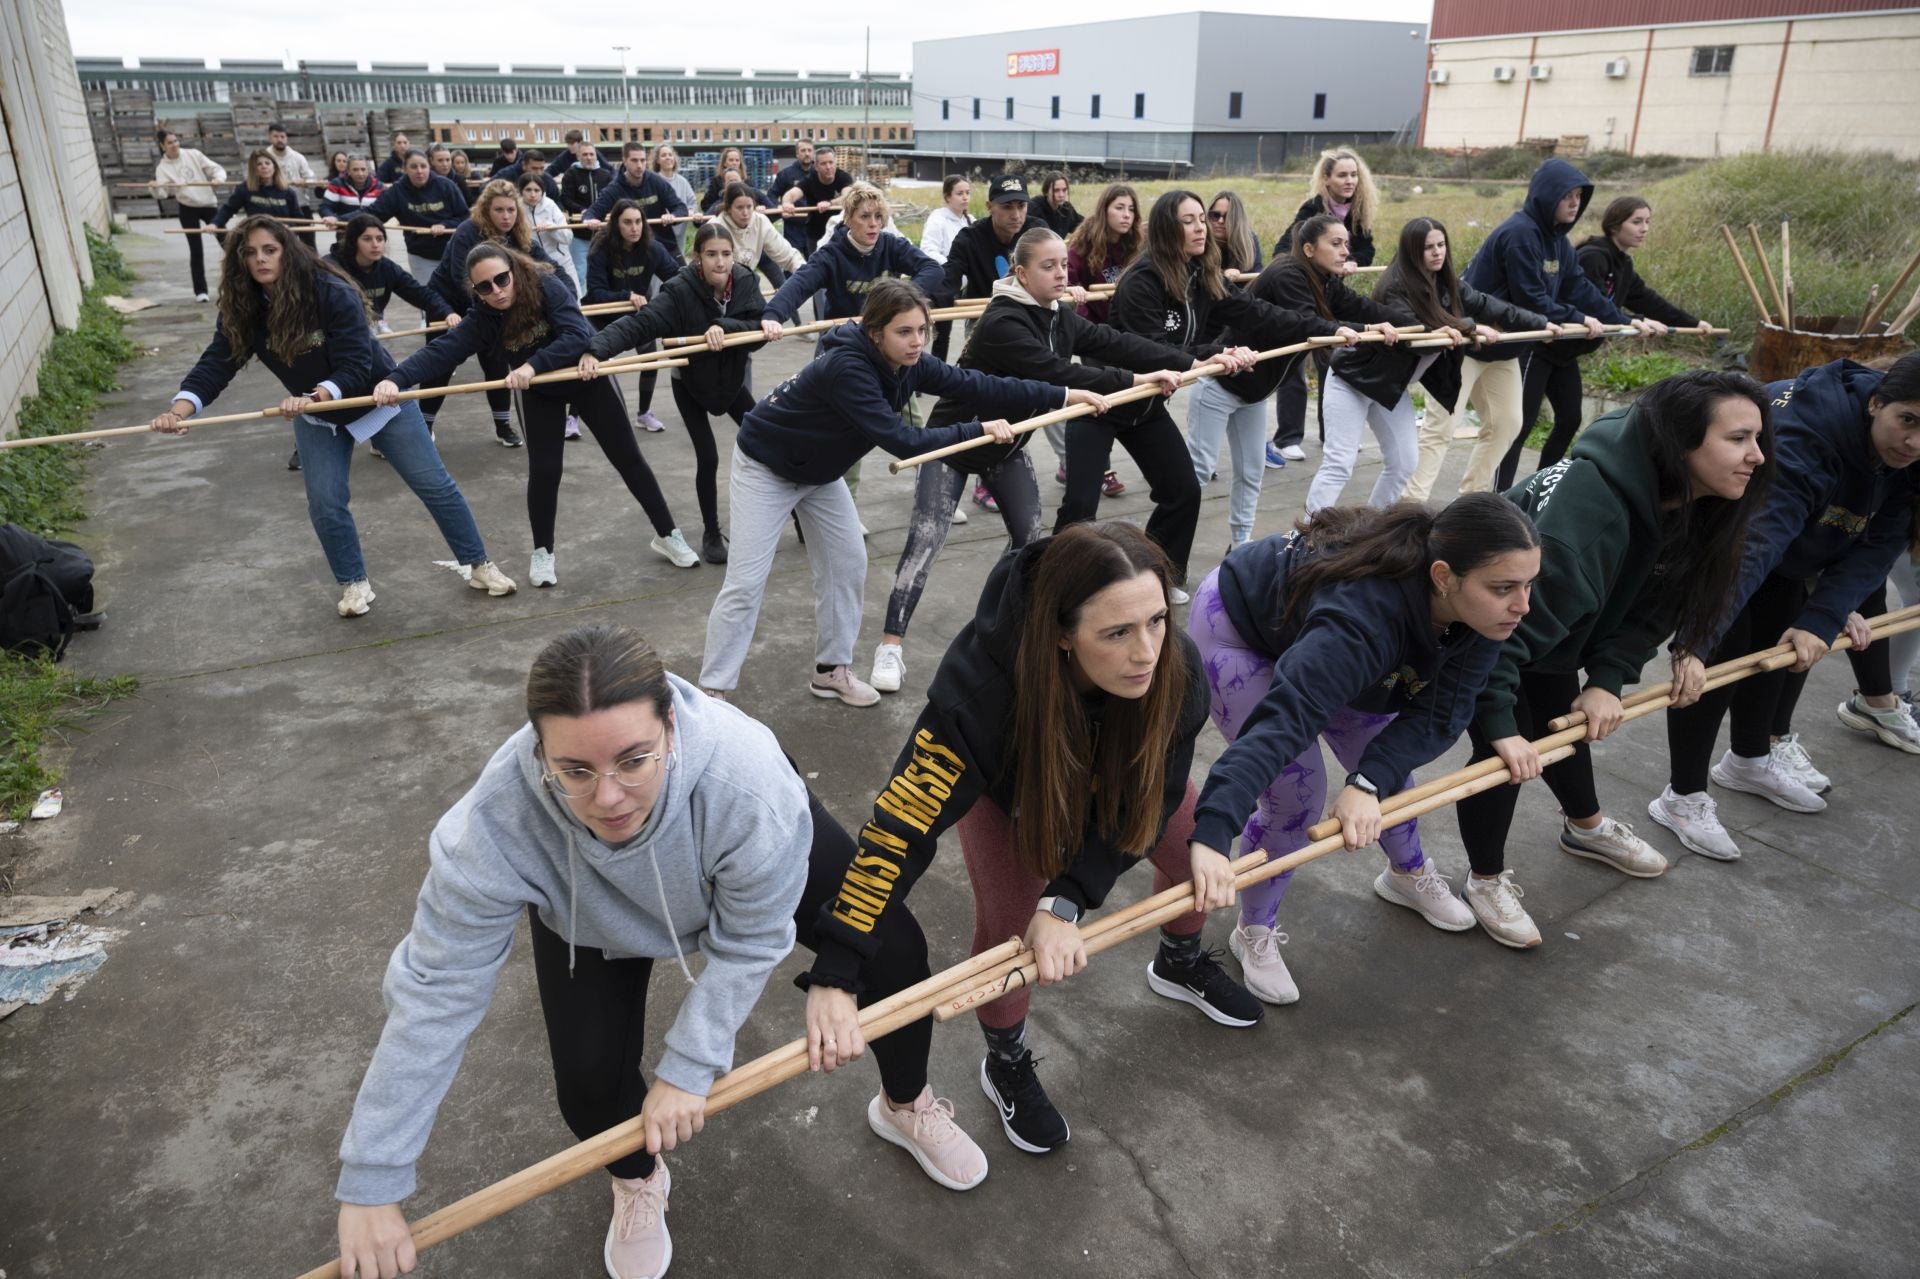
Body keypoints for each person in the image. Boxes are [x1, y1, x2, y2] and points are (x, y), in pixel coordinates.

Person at [333, 624, 974, 1279]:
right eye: (575, 770)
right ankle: (638, 1175)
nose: (607, 797)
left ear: (671, 722)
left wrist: (688, 1067)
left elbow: (750, 938)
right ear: (538, 749)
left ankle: (905, 1102)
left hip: (736, 851)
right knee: (586, 1085)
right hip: (591, 908)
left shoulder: (744, 775)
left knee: (895, 954)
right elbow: (436, 987)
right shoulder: (496, 822)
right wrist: (373, 1176)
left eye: (633, 760)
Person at [809, 521, 1262, 1156]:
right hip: (1019, 799)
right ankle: (1006, 1060)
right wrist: (838, 967)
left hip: (1124, 782)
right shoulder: (980, 690)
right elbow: (899, 826)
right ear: (1059, 633)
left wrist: (1070, 897)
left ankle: (1178, 963)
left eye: (1157, 620)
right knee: (1010, 936)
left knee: (1196, 855)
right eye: (1116, 633)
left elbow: (1154, 795)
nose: (1147, 653)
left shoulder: (1175, 666)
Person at [1452, 371, 1775, 948]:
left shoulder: (1701, 504)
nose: (1757, 455)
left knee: (1559, 721)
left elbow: (1655, 610)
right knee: (1505, 753)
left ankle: (1586, 826)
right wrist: (1500, 728)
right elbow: (1497, 643)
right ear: (1681, 443)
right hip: (1483, 629)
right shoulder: (1593, 515)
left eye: (1758, 438)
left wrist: (1606, 679)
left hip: (1548, 633)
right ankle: (1484, 878)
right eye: (1739, 439)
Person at [1189, 495, 1542, 1000]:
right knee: (1296, 795)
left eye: (1529, 584)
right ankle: (1255, 929)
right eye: (1505, 588)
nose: (1523, 605)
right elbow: (1283, 722)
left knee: (1387, 780)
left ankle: (1407, 873)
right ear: (1444, 576)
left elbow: (1443, 714)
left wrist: (1367, 781)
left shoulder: (1486, 611)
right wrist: (1213, 829)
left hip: (1343, 644)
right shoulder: (1364, 619)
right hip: (1240, 627)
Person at [700, 278, 1104, 706]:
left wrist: (1061, 394)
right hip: (766, 466)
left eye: (922, 331)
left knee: (848, 564)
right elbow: (904, 441)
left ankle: (830, 672)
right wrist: (979, 429)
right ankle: (713, 693)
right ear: (876, 333)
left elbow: (976, 383)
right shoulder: (848, 369)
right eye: (904, 332)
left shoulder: (909, 363)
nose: (917, 342)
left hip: (819, 471)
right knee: (746, 582)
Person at [870, 227, 1191, 695]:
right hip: (956, 444)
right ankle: (891, 647)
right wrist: (1133, 378)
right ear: (1020, 273)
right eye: (1048, 266)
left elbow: (1109, 340)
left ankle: (1004, 626)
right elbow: (1057, 371)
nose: (1061, 273)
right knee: (927, 539)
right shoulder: (1003, 322)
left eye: (1064, 264)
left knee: (1028, 544)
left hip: (1009, 446)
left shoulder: (1059, 315)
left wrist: (1182, 361)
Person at [148, 217, 516, 618]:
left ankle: (479, 564)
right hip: (318, 415)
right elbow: (217, 362)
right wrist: (178, 411)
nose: (260, 260)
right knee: (325, 502)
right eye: (250, 253)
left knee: (434, 485)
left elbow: (357, 363)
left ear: (287, 251)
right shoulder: (244, 306)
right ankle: (354, 583)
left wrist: (314, 396)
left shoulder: (330, 290)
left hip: (379, 400)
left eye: (269, 250)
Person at [1653, 355, 1920, 858]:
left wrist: (1823, 614)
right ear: (1876, 403)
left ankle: (1750, 758)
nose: (1915, 443)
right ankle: (1682, 796)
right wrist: (1695, 640)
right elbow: (1756, 544)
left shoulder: (1905, 455)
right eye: (1908, 421)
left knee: (1786, 635)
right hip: (1720, 532)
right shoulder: (1809, 434)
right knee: (1719, 661)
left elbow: (1879, 544)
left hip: (1794, 548)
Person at [380, 243, 698, 584]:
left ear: (514, 271)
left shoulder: (546, 285)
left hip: (584, 378)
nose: (497, 291)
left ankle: (667, 535)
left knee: (628, 458)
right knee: (545, 471)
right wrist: (395, 379)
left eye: (502, 279)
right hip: (538, 394)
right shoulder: (483, 318)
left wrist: (532, 365)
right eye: (484, 287)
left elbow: (576, 334)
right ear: (476, 291)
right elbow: (444, 350)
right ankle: (543, 552)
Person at [1065, 189, 1321, 598]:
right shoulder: (1142, 280)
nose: (1201, 227)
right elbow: (1148, 348)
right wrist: (1206, 357)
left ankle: (1157, 578)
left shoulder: (1200, 276)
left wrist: (1324, 329)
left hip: (1146, 404)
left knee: (1182, 491)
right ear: (1168, 228)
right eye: (1189, 220)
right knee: (1080, 508)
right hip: (1105, 397)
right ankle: (1057, 586)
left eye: (1202, 218)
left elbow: (1256, 312)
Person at [1191, 213, 1401, 536]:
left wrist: (1413, 326)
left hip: (1255, 392)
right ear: (1307, 248)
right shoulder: (1288, 274)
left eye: (1346, 243)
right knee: (1196, 474)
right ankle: (1162, 549)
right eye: (1335, 243)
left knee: (1251, 474)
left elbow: (1361, 306)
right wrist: (1363, 329)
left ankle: (1241, 543)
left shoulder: (1324, 279)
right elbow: (1301, 322)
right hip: (1221, 382)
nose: (1346, 251)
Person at [581, 223, 770, 566]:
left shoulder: (744, 281)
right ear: (697, 257)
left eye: (726, 254)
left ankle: (800, 515)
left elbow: (758, 329)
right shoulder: (679, 291)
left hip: (730, 381)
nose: (720, 262)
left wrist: (724, 327)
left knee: (769, 440)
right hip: (691, 382)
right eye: (711, 254)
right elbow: (640, 323)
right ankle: (711, 532)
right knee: (708, 456)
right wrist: (596, 349)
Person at [1458, 158, 1641, 496]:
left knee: (1509, 426)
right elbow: (1532, 299)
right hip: (1472, 338)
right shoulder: (1521, 234)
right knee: (1447, 432)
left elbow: (1579, 286)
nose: (1574, 203)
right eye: (1566, 196)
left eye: (1578, 197)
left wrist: (1625, 321)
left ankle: (1498, 500)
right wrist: (1579, 317)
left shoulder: (1557, 240)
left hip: (1509, 345)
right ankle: (1492, 501)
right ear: (1546, 195)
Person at [1514, 197, 1715, 478]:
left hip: (1565, 356)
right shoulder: (1592, 256)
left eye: (1647, 222)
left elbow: (1647, 300)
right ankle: (1501, 496)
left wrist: (1693, 323)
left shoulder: (1623, 263)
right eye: (1636, 221)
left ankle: (1540, 483)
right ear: (1614, 225)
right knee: (1521, 425)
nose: (1644, 228)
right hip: (1542, 347)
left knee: (1570, 419)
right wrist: (1636, 322)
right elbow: (1592, 302)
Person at [1396, 219, 1561, 503]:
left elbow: (1490, 305)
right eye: (1428, 248)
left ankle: (1472, 497)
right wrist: (1470, 327)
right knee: (1441, 429)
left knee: (1507, 423)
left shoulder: (1451, 282)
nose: (1437, 252)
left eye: (1441, 245)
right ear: (1413, 251)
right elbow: (1423, 320)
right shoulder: (1401, 285)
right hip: (1460, 356)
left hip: (1500, 353)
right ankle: (1410, 505)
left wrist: (1542, 323)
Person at [428, 180, 564, 449]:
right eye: (499, 210)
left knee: (496, 362)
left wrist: (567, 297)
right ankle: (424, 423)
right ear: (486, 211)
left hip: (493, 302)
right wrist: (498, 309)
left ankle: (503, 425)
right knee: (442, 364)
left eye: (511, 210)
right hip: (450, 302)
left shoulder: (518, 234)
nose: (506, 216)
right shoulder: (469, 232)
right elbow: (461, 279)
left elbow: (549, 267)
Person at [1269, 149, 1381, 467]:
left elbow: (1366, 248)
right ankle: (1288, 438)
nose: (1349, 181)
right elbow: (1286, 246)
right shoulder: (1312, 210)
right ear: (1327, 178)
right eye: (1342, 175)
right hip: (1300, 289)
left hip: (1330, 290)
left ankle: (1331, 434)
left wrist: (1353, 260)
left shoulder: (1359, 210)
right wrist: (1290, 273)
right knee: (1294, 361)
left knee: (1332, 361)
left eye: (1354, 174)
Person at [585, 199, 680, 433]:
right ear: (616, 224)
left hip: (636, 316)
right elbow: (595, 291)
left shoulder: (652, 248)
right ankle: (574, 417)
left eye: (638, 222)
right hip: (600, 315)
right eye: (627, 222)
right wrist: (626, 295)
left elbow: (675, 277)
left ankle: (643, 414)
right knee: (588, 367)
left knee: (650, 361)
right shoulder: (601, 247)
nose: (634, 227)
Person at [326, 214, 451, 339]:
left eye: (380, 239)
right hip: (332, 331)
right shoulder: (330, 269)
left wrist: (447, 312)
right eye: (367, 239)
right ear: (353, 242)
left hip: (364, 331)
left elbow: (420, 293)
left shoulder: (387, 268)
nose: (375, 245)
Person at [360, 150, 467, 282]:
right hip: (421, 256)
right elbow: (372, 213)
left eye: (423, 166)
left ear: (429, 166)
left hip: (453, 253)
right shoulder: (397, 191)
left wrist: (445, 225)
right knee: (432, 297)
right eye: (413, 167)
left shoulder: (446, 185)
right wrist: (337, 219)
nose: (419, 171)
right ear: (405, 169)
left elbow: (464, 216)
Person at [152, 129, 226, 301]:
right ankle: (201, 292)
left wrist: (218, 179)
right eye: (169, 143)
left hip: (208, 203)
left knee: (227, 242)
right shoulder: (162, 168)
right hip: (187, 207)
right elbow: (162, 193)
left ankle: (246, 281)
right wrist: (155, 186)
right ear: (163, 146)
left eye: (176, 141)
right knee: (196, 250)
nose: (174, 145)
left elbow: (216, 169)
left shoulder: (193, 154)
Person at [585, 143, 690, 263]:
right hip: (631, 250)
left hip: (664, 244)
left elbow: (680, 208)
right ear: (624, 161)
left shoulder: (656, 181)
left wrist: (673, 216)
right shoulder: (614, 189)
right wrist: (590, 219)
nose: (639, 165)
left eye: (642, 160)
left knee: (684, 278)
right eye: (634, 160)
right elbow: (592, 212)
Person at [715, 181, 803, 293]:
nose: (745, 212)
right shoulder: (716, 227)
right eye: (739, 208)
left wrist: (805, 272)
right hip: (720, 289)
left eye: (749, 206)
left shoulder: (760, 221)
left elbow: (788, 255)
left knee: (785, 302)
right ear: (729, 208)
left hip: (747, 284)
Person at [778, 143, 854, 256]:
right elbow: (791, 194)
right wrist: (787, 203)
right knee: (816, 268)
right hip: (815, 234)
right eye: (823, 163)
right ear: (816, 166)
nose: (828, 167)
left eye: (831, 162)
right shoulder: (810, 180)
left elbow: (848, 197)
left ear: (835, 162)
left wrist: (830, 203)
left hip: (840, 232)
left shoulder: (843, 177)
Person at [212, 148, 306, 229]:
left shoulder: (288, 192)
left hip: (283, 236)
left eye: (267, 163)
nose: (264, 166)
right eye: (259, 164)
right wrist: (215, 224)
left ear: (274, 167)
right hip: (257, 236)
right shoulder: (245, 189)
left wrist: (290, 227)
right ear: (254, 169)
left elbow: (298, 218)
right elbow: (228, 209)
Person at [520, 173, 579, 294]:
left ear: (542, 191)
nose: (533, 194)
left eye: (537, 190)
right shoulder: (516, 208)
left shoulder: (551, 205)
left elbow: (568, 238)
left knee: (573, 296)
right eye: (528, 190)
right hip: (533, 266)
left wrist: (553, 229)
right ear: (520, 191)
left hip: (562, 261)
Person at [769, 138, 816, 259]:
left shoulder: (820, 174)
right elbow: (771, 196)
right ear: (797, 154)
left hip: (815, 226)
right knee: (790, 263)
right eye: (803, 150)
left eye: (809, 150)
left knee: (817, 263)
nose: (807, 153)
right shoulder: (786, 174)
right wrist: (779, 206)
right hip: (793, 228)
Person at [651, 144, 701, 256]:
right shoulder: (653, 181)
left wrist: (690, 211)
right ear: (657, 160)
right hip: (659, 233)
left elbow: (692, 203)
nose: (668, 157)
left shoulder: (683, 181)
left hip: (679, 233)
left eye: (670, 155)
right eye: (664, 155)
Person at [1207, 190, 1261, 275]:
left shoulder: (1249, 241)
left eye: (1227, 216)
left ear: (1237, 220)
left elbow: (1256, 278)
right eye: (1215, 215)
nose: (1220, 221)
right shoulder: (1200, 241)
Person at [320, 154, 382, 222]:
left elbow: (383, 210)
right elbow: (325, 207)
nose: (360, 173)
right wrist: (330, 217)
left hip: (372, 229)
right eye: (355, 170)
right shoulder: (337, 184)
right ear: (348, 171)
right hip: (344, 229)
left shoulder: (378, 186)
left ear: (368, 170)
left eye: (363, 169)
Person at [700, 146, 750, 213]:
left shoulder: (747, 181)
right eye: (731, 160)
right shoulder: (716, 182)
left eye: (737, 160)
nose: (734, 163)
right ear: (724, 163)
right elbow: (706, 205)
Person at [1033, 171, 1082, 238]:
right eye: (1056, 190)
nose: (1061, 195)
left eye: (1064, 190)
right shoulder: (1034, 208)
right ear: (1046, 192)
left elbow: (1082, 225)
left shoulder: (1066, 209)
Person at [266, 122, 315, 187]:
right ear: (270, 138)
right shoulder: (264, 157)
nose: (280, 140)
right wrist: (291, 182)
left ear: (286, 138)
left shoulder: (298, 157)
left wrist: (304, 181)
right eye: (276, 136)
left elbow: (311, 178)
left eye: (282, 136)